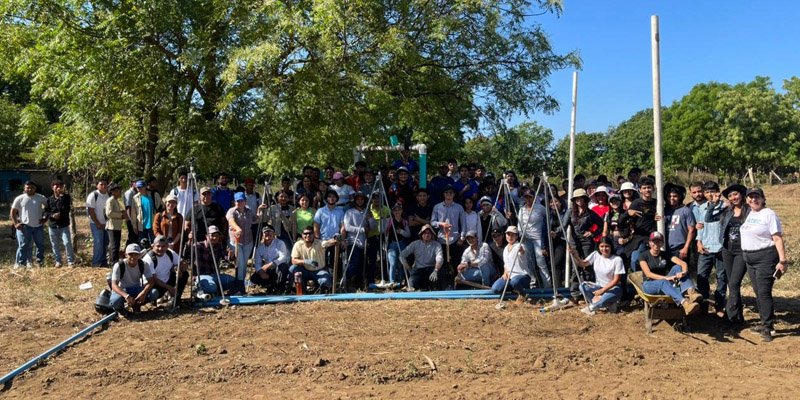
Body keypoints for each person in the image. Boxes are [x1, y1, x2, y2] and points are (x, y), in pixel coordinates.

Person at [740, 188, 787, 342]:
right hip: (750, 258)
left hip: (765, 257)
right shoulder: (750, 213)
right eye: (750, 197)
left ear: (763, 198)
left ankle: (768, 327)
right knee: (758, 292)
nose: (753, 200)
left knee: (764, 292)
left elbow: (777, 238)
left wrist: (782, 260)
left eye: (756, 197)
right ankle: (765, 322)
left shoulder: (769, 214)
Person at [706, 184, 749, 326]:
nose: (733, 198)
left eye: (735, 194)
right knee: (733, 285)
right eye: (730, 196)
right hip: (727, 250)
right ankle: (738, 317)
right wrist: (713, 203)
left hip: (742, 251)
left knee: (734, 283)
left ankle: (730, 317)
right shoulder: (727, 211)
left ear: (742, 195)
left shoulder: (749, 211)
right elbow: (709, 218)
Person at [639, 232, 702, 316]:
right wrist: (666, 278)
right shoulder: (643, 255)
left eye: (659, 241)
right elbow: (648, 274)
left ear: (662, 243)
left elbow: (683, 264)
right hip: (649, 284)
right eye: (654, 241)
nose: (656, 244)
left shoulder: (665, 254)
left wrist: (683, 272)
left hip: (664, 282)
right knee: (663, 282)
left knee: (677, 267)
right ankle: (685, 303)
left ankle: (691, 292)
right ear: (650, 243)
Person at [695, 181, 727, 315]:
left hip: (720, 247)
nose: (710, 195)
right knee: (702, 276)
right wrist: (699, 242)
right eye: (707, 192)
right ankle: (703, 305)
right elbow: (700, 227)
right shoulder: (701, 208)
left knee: (721, 277)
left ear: (718, 192)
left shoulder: (725, 207)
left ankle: (719, 305)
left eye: (712, 192)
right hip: (706, 247)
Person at [570, 237, 625, 315]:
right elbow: (583, 264)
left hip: (613, 288)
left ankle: (592, 307)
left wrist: (602, 291)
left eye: (607, 246)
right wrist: (575, 255)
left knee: (607, 296)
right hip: (599, 286)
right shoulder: (596, 254)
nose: (604, 249)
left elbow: (616, 280)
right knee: (582, 286)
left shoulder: (617, 259)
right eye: (602, 246)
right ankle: (606, 304)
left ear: (611, 247)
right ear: (598, 247)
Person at [431, 185, 466, 287]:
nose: (448, 195)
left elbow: (463, 224)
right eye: (446, 193)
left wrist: (462, 237)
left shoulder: (459, 207)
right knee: (442, 263)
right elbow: (432, 222)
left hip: (455, 239)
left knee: (456, 262)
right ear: (443, 194)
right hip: (441, 239)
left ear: (454, 194)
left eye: (451, 193)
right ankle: (443, 284)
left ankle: (457, 284)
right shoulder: (437, 207)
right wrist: (441, 224)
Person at [226, 191, 261, 294]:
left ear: (245, 201)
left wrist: (260, 210)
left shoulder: (249, 211)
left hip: (248, 241)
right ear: (234, 202)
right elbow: (231, 221)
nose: (239, 203)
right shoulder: (231, 211)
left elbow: (255, 219)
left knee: (244, 264)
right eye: (237, 201)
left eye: (241, 201)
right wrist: (237, 229)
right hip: (235, 242)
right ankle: (240, 285)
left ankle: (239, 285)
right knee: (240, 262)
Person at [517, 187, 551, 289]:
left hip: (538, 239)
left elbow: (548, 219)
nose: (528, 199)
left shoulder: (540, 208)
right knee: (529, 262)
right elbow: (519, 224)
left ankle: (547, 285)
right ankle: (533, 283)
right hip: (526, 239)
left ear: (534, 198)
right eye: (526, 197)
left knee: (541, 263)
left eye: (530, 197)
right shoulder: (522, 210)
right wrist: (520, 234)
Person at [108, 244, 158, 313]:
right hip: (123, 289)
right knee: (115, 301)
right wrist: (126, 296)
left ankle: (137, 305)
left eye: (136, 254)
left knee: (154, 293)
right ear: (126, 255)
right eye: (131, 254)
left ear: (139, 255)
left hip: (137, 288)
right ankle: (122, 310)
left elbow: (151, 281)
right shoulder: (119, 265)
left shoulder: (144, 264)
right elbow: (114, 285)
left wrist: (143, 293)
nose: (133, 257)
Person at [188, 225, 233, 299]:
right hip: (201, 276)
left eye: (217, 236)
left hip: (215, 275)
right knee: (212, 287)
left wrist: (231, 256)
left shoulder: (219, 246)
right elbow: (186, 254)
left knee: (233, 281)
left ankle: (214, 292)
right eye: (212, 235)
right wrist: (189, 241)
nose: (214, 238)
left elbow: (225, 260)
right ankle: (199, 289)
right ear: (206, 236)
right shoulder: (198, 246)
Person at [491, 226, 531, 305]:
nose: (510, 237)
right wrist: (505, 273)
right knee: (495, 288)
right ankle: (514, 290)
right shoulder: (505, 249)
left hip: (522, 276)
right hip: (509, 276)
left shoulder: (520, 246)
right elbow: (506, 264)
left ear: (516, 236)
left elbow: (523, 253)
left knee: (515, 282)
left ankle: (522, 294)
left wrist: (521, 250)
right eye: (508, 234)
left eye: (512, 235)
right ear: (505, 235)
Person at [343, 192, 376, 289]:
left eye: (362, 199)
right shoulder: (349, 212)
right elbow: (347, 227)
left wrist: (370, 219)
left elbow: (373, 226)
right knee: (354, 263)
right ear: (355, 201)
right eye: (358, 199)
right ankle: (349, 283)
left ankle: (359, 285)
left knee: (362, 264)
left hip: (364, 243)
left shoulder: (367, 212)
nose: (360, 201)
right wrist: (362, 230)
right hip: (353, 241)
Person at [11, 181, 47, 268]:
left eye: (32, 187)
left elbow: (48, 207)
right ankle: (20, 264)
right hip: (24, 227)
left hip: (38, 226)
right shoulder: (19, 198)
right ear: (24, 188)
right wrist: (16, 224)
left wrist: (45, 218)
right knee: (23, 246)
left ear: (35, 188)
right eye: (28, 187)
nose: (30, 189)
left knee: (40, 245)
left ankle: (39, 262)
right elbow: (13, 212)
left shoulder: (41, 198)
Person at [142, 235, 186, 304]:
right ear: (153, 246)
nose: (160, 249)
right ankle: (153, 300)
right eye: (158, 246)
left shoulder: (169, 253)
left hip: (167, 280)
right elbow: (154, 280)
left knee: (185, 274)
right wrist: (170, 288)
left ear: (167, 246)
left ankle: (176, 299)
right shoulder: (148, 259)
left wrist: (179, 269)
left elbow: (183, 262)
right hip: (155, 284)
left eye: (163, 246)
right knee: (154, 293)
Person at [399, 224, 444, 290]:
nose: (427, 235)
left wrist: (436, 270)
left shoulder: (437, 245)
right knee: (411, 283)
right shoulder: (415, 244)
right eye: (425, 233)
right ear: (421, 234)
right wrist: (409, 269)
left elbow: (439, 258)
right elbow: (402, 255)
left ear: (432, 235)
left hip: (431, 269)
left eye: (429, 233)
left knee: (436, 282)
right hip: (418, 270)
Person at [289, 226, 332, 292]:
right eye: (305, 234)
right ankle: (300, 291)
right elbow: (293, 260)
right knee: (293, 268)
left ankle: (319, 291)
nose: (308, 235)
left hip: (319, 271)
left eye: (310, 233)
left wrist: (335, 239)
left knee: (325, 282)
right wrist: (306, 261)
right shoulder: (297, 244)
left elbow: (328, 243)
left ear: (313, 234)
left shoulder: (319, 243)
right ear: (302, 235)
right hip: (305, 270)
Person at [251, 225, 291, 293]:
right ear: (262, 235)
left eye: (270, 232)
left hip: (277, 268)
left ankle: (280, 288)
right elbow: (257, 263)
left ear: (274, 234)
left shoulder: (280, 243)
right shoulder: (260, 248)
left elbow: (283, 257)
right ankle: (269, 286)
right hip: (268, 270)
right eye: (265, 232)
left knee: (283, 266)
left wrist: (271, 264)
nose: (268, 234)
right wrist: (261, 272)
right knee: (254, 278)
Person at [44, 179, 75, 267]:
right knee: (55, 245)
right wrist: (52, 215)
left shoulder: (66, 197)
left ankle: (70, 261)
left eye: (61, 187)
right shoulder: (49, 199)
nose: (59, 188)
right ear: (52, 187)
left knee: (67, 242)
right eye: (57, 186)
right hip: (53, 225)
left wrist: (61, 197)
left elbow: (65, 209)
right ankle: (58, 261)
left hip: (64, 225)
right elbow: (45, 212)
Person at [313, 190, 346, 271]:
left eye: (334, 197)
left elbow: (343, 226)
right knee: (322, 260)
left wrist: (342, 239)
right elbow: (316, 226)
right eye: (329, 196)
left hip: (336, 240)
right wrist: (317, 239)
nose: (331, 198)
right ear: (326, 198)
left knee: (334, 260)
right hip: (323, 240)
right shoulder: (320, 211)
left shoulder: (340, 211)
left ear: (336, 198)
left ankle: (333, 275)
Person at [663, 184, 696, 262]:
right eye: (669, 196)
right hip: (665, 247)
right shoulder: (663, 211)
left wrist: (686, 247)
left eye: (675, 196)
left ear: (680, 197)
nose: (672, 198)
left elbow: (691, 230)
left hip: (680, 248)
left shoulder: (686, 210)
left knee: (681, 272)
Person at [385, 202, 410, 287]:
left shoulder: (404, 222)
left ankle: (399, 282)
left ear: (402, 211)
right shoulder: (389, 221)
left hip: (402, 243)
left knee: (401, 263)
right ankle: (392, 281)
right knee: (392, 262)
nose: (397, 212)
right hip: (392, 244)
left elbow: (408, 234)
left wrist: (401, 232)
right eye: (395, 210)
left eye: (399, 210)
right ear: (392, 211)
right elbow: (383, 231)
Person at [86, 178, 110, 267]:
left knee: (105, 242)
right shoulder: (93, 195)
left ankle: (103, 262)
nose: (103, 186)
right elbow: (91, 211)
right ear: (97, 185)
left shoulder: (109, 195)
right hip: (96, 224)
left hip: (107, 224)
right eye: (101, 184)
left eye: (105, 184)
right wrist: (97, 223)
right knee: (98, 242)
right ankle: (96, 263)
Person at [130, 179, 162, 244]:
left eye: (141, 187)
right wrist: (134, 226)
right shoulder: (135, 198)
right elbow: (133, 213)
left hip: (153, 224)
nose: (139, 189)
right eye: (138, 187)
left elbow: (161, 206)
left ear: (145, 187)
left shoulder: (153, 195)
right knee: (143, 245)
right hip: (141, 226)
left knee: (154, 243)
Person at [104, 183, 126, 263]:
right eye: (118, 190)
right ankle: (113, 263)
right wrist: (121, 215)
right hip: (112, 227)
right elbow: (109, 213)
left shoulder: (116, 201)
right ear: (112, 192)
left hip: (117, 226)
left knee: (116, 245)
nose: (120, 192)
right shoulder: (110, 200)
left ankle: (115, 262)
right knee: (114, 246)